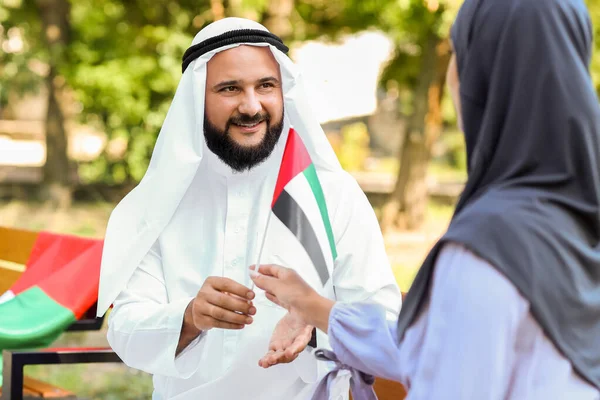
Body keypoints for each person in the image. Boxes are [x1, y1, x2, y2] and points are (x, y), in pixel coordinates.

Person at [250, 0, 600, 398]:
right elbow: (442, 341)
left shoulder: (491, 248)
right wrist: (316, 307)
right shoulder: (575, 221)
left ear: (484, 78)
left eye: (458, 53)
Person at [95, 17, 402, 400]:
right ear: (197, 98)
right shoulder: (157, 205)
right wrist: (190, 316)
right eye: (229, 88)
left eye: (266, 86)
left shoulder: (332, 196)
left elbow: (384, 323)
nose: (251, 105)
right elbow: (125, 331)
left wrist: (316, 319)